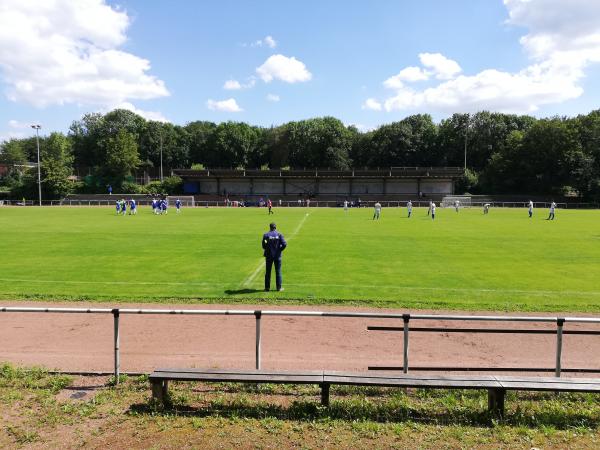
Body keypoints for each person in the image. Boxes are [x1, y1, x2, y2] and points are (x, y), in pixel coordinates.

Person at [262, 222, 287, 292]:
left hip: (269, 256)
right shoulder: (279, 235)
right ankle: (278, 288)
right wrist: (280, 250)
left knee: (268, 272)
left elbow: (264, 245)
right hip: (277, 256)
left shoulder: (266, 235)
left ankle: (267, 288)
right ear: (275, 227)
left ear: (270, 227)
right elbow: (284, 244)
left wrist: (268, 248)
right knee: (278, 271)